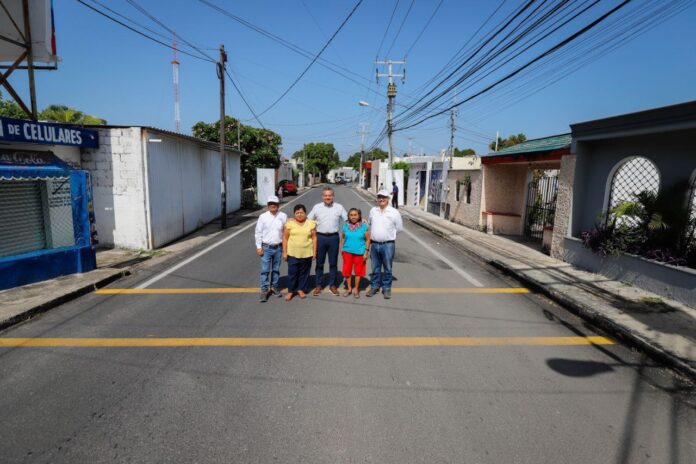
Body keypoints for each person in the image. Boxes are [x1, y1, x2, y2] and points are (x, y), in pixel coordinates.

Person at [308, 187, 347, 296]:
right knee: (319, 263)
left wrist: (360, 220)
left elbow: (348, 220)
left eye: (330, 195)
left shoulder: (339, 207)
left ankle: (332, 285)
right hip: (320, 237)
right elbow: (308, 220)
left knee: (333, 263)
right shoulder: (317, 207)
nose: (328, 197)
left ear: (333, 196)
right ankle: (318, 285)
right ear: (322, 196)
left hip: (334, 238)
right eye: (325, 195)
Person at [366, 189, 403, 299]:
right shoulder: (373, 210)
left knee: (387, 268)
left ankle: (386, 288)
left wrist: (388, 235)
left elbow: (400, 228)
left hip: (388, 245)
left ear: (388, 199)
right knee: (375, 268)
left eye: (384, 197)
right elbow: (370, 223)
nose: (381, 199)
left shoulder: (394, 212)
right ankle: (374, 286)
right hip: (374, 244)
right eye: (379, 197)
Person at [254, 195, 287, 302]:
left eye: (275, 204)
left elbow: (286, 232)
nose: (273, 206)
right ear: (268, 206)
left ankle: (274, 286)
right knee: (265, 270)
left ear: (278, 205)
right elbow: (258, 232)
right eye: (271, 204)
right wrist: (259, 247)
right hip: (266, 247)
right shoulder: (263, 217)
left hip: (278, 247)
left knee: (276, 269)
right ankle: (264, 290)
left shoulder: (283, 216)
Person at [283, 204, 317, 301]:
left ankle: (301, 289)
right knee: (292, 273)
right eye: (297, 213)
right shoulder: (289, 224)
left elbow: (314, 238)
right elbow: (285, 238)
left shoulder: (311, 223)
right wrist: (284, 252)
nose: (299, 214)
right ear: (294, 214)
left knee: (304, 273)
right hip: (292, 253)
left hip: (307, 252)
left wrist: (314, 252)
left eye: (301, 212)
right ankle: (290, 291)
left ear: (305, 213)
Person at [340, 208, 370, 298]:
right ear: (348, 216)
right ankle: (349, 288)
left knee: (358, 272)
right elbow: (343, 237)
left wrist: (366, 251)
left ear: (359, 216)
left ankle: (356, 289)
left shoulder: (364, 227)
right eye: (351, 215)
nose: (353, 217)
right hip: (347, 252)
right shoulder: (345, 226)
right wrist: (342, 248)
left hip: (360, 253)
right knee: (347, 271)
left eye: (355, 215)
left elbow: (368, 239)